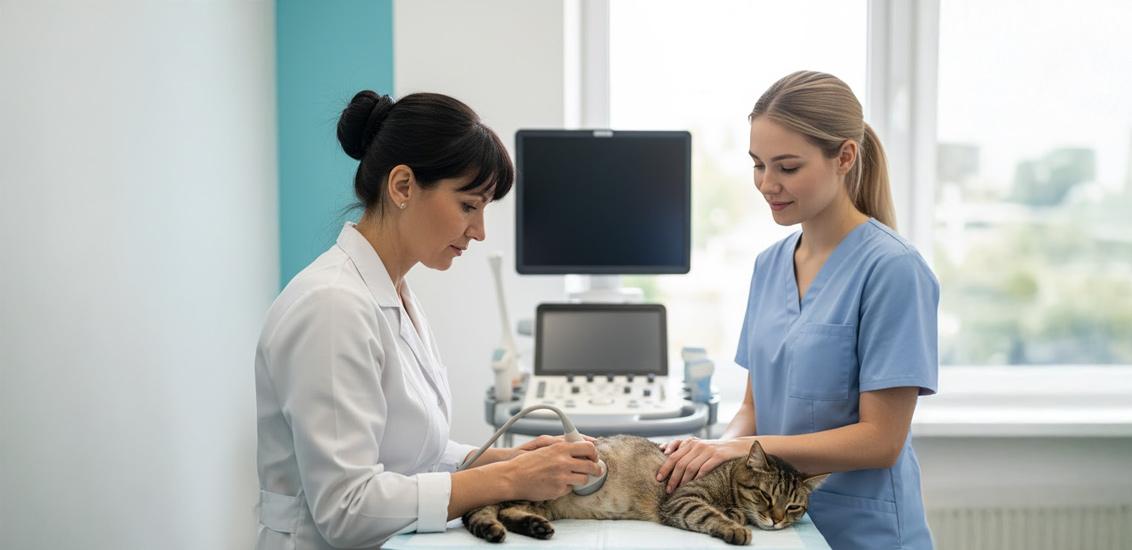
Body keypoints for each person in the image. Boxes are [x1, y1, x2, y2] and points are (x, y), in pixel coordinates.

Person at [254, 91, 603, 550]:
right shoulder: (332, 306)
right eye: (468, 205)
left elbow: (416, 456)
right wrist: (508, 479)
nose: (479, 231)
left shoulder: (394, 294)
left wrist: (504, 460)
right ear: (402, 186)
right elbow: (347, 509)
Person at [656, 71, 939, 549]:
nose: (767, 184)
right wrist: (715, 459)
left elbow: (881, 440)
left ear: (844, 157)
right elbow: (752, 408)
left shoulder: (894, 270)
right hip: (778, 531)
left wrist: (737, 447)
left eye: (787, 167)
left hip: (863, 532)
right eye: (757, 164)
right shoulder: (770, 266)